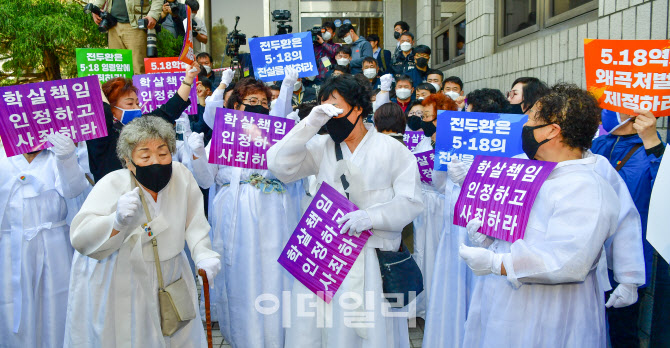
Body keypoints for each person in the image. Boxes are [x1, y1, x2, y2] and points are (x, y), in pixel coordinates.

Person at [267, 73, 424, 348]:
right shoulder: (322, 147)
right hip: (325, 255)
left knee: (369, 331)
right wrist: (311, 123)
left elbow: (411, 201)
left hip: (372, 259)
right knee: (319, 329)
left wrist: (372, 217)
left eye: (335, 107)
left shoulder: (392, 150)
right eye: (324, 108)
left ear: (358, 107)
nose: (330, 115)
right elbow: (279, 165)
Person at [459, 83, 621, 347]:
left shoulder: (586, 187)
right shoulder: (534, 172)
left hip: (551, 314)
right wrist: (490, 236)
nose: (524, 125)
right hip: (507, 305)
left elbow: (568, 261)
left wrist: (496, 263)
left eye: (532, 118)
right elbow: (521, 231)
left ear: (552, 131)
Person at [64, 116, 220, 347]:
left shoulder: (181, 176)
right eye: (145, 156)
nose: (156, 161)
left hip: (172, 273)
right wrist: (115, 221)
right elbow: (80, 236)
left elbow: (195, 221)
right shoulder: (112, 184)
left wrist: (203, 253)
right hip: (125, 275)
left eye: (163, 153)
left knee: (178, 334)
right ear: (128, 162)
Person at [191, 69, 304, 348]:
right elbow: (206, 179)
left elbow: (282, 126)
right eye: (250, 101)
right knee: (242, 273)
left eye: (263, 103)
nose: (259, 107)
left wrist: (288, 86)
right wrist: (197, 155)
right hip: (236, 213)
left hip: (274, 212)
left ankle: (280, 336)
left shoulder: (275, 135)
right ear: (235, 106)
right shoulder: (222, 134)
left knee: (276, 270)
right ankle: (244, 337)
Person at [0, 133, 88, 347]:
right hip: (10, 244)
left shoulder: (55, 155)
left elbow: (74, 189)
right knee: (11, 307)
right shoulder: (4, 156)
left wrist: (67, 158)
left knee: (57, 305)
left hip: (54, 241)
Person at [591, 108, 668, 347]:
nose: (606, 111)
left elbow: (663, 194)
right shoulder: (596, 144)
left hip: (629, 256)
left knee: (622, 330)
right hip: (590, 252)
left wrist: (652, 142)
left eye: (613, 105)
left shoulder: (653, 149)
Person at [86, 63, 200, 182]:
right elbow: (103, 114)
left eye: (137, 103)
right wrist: (97, 90)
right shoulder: (99, 136)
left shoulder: (143, 126)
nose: (136, 108)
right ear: (112, 110)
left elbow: (170, 110)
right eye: (130, 104)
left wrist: (188, 79)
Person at [410, 93, 457, 319]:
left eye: (428, 116)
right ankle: (423, 303)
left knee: (441, 255)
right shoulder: (424, 140)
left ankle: (441, 307)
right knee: (423, 252)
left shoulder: (454, 141)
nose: (424, 121)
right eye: (422, 115)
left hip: (444, 204)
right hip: (425, 204)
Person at [89, 0, 161, 74]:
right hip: (113, 25)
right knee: (117, 69)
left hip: (135, 25)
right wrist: (96, 9)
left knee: (139, 68)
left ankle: (140, 86)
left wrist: (153, 15)